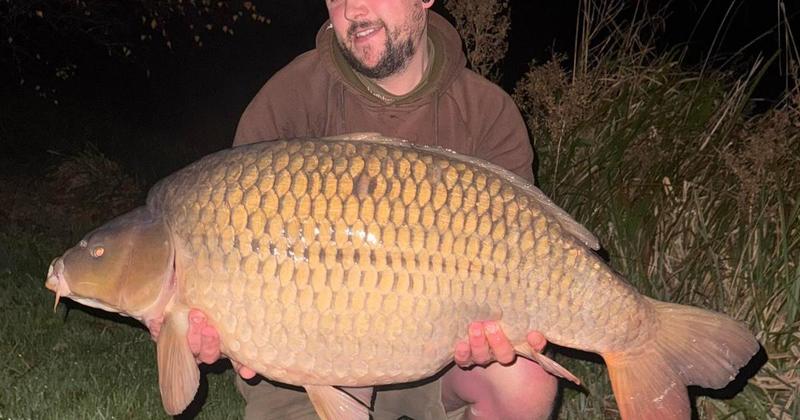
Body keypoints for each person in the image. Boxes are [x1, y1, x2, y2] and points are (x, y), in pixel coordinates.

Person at [150, 0, 559, 418]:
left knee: (524, 385)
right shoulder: (289, 99)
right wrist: (204, 330)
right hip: (302, 364)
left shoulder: (487, 114)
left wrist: (492, 337)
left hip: (435, 352)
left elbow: (526, 256)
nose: (353, 9)